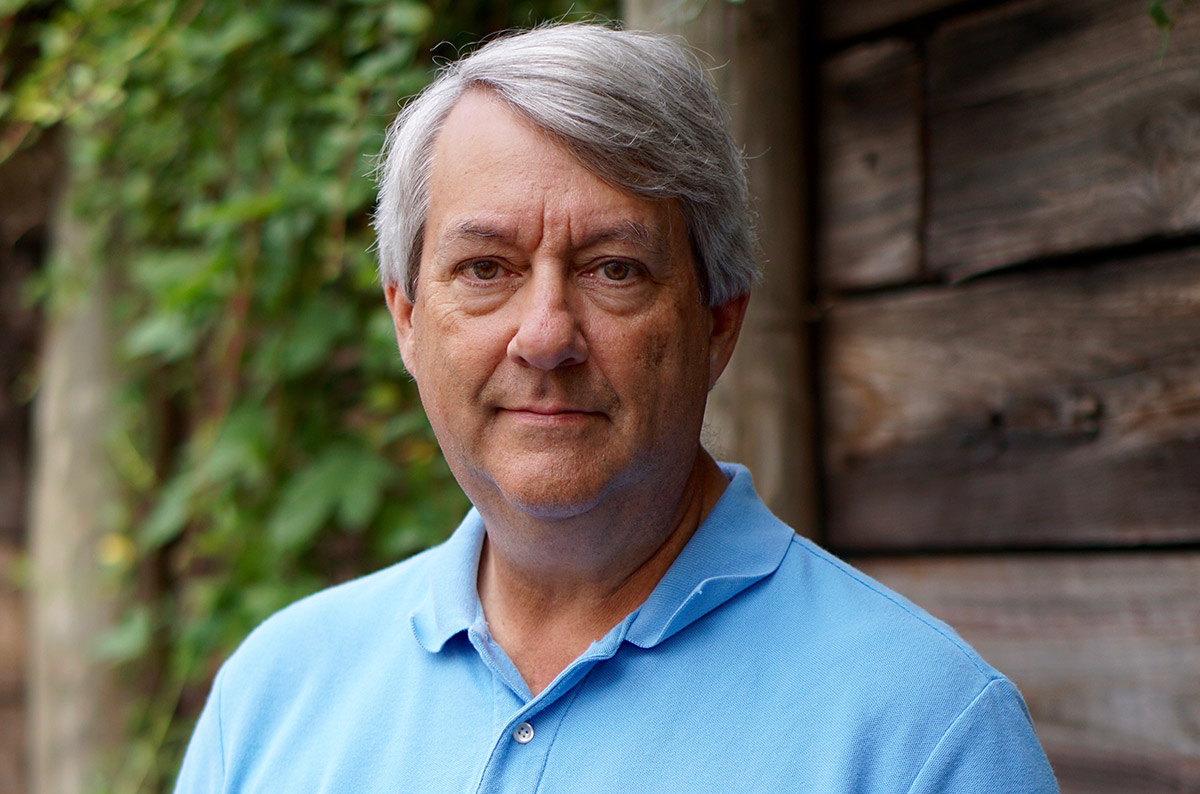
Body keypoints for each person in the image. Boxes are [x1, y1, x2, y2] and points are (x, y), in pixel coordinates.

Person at [174, 23, 1059, 793]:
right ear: (407, 321)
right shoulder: (274, 695)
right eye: (486, 269)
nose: (546, 336)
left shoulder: (927, 735)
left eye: (615, 269)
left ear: (718, 323)